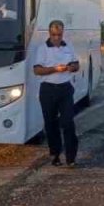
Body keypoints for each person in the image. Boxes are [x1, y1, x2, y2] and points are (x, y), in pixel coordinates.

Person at [34, 20, 81, 167]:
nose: (56, 38)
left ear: (63, 33)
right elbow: (37, 70)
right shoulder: (42, 48)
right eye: (54, 35)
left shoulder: (69, 46)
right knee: (51, 124)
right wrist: (55, 69)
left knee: (68, 123)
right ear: (49, 33)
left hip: (65, 89)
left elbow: (76, 65)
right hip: (48, 89)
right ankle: (55, 154)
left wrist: (71, 67)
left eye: (59, 35)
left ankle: (71, 158)